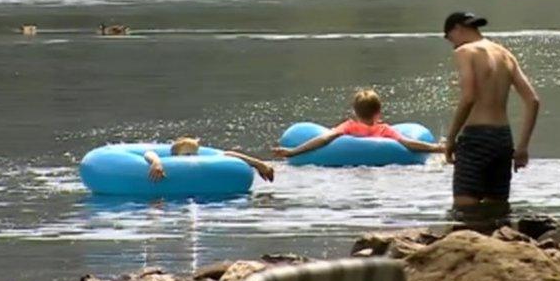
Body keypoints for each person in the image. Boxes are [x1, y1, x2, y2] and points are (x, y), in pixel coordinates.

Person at [442, 11, 540, 215]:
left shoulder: (465, 52)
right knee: (497, 210)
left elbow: (469, 97)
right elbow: (533, 100)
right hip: (503, 139)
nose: (452, 44)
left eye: (450, 38)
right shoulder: (505, 54)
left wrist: (450, 139)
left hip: (476, 137)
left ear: (458, 29)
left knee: (464, 210)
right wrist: (522, 147)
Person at [272, 89, 444, 158]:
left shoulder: (348, 127)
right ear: (379, 112)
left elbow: (323, 140)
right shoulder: (383, 130)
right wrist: (437, 148)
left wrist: (293, 151)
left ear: (354, 112)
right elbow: (408, 144)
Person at [145, 137, 275, 182]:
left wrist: (258, 164)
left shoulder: (201, 164)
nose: (192, 159)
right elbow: (149, 153)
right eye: (187, 155)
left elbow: (226, 155)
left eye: (194, 155)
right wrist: (156, 162)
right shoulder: (167, 162)